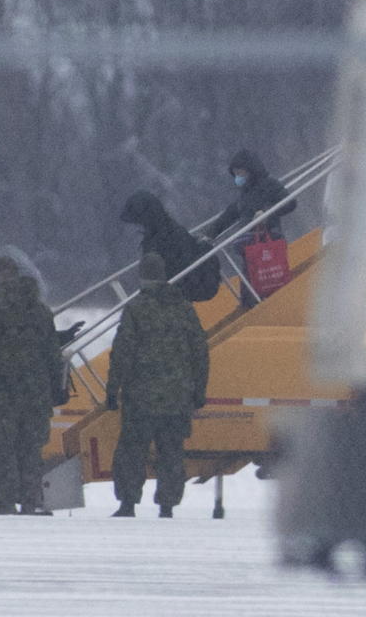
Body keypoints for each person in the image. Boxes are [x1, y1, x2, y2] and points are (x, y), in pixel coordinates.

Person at [105, 253, 210, 518]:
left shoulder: (136, 308)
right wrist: (199, 390)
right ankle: (167, 506)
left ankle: (127, 504)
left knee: (132, 450)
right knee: (172, 452)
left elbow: (122, 352)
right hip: (177, 396)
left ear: (143, 276)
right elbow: (200, 351)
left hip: (141, 397)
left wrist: (112, 389)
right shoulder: (184, 308)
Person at [0, 257, 63, 515]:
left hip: (0, 392)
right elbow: (53, 355)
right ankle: (32, 500)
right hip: (36, 393)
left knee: (2, 450)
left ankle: (4, 502)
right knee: (31, 449)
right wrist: (57, 388)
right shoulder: (40, 311)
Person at [206, 148, 297, 307]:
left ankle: (256, 303)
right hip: (250, 242)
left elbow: (289, 203)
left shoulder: (269, 184)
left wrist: (266, 213)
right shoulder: (245, 192)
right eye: (235, 174)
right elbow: (230, 214)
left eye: (240, 173)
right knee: (251, 273)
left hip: (268, 237)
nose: (238, 178)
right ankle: (249, 303)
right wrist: (210, 233)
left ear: (250, 170)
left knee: (262, 273)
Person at [120, 190, 221, 302]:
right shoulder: (165, 232)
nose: (138, 225)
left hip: (189, 287)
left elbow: (182, 264)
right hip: (183, 286)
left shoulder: (161, 238)